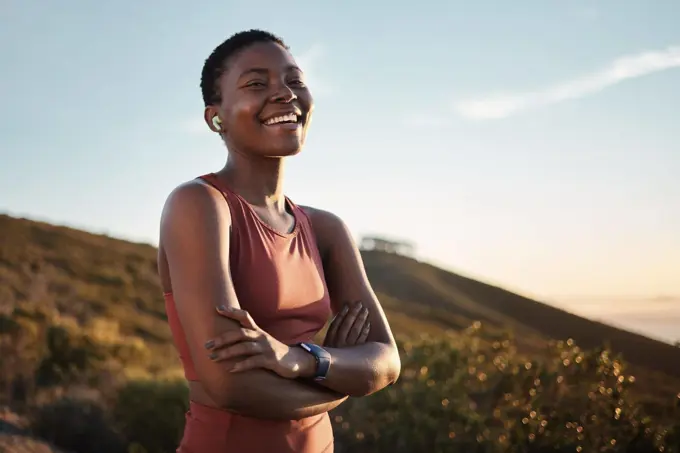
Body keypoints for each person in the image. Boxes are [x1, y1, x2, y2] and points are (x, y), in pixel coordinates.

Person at [157, 29, 401, 453]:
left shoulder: (326, 229)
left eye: (295, 80)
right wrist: (343, 382)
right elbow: (232, 386)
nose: (285, 94)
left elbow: (386, 360)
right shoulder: (199, 204)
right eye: (256, 84)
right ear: (217, 117)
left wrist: (302, 360)